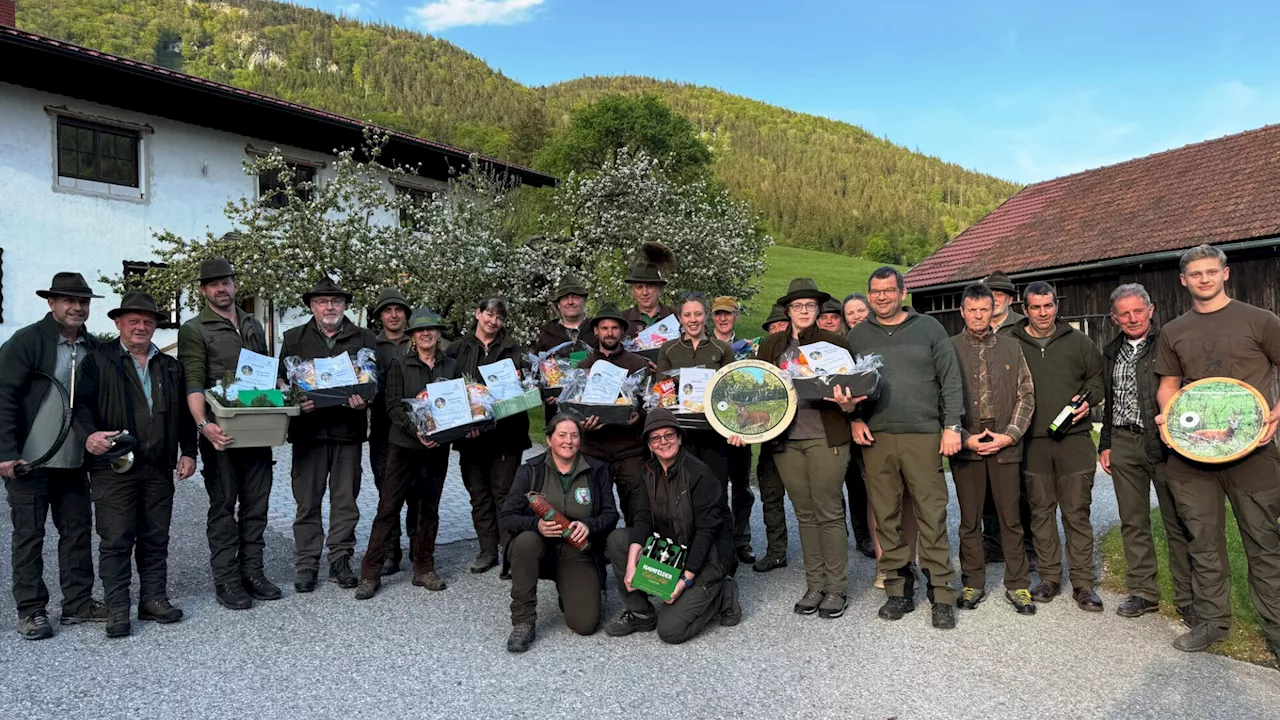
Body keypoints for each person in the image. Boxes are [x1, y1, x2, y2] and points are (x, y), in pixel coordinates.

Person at [1154, 244, 1280, 661]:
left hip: (1253, 453)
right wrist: (1167, 419)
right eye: (1196, 274)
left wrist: (1278, 413)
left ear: (1226, 273)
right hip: (1192, 459)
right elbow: (1169, 385)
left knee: (1263, 543)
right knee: (1203, 543)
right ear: (1183, 280)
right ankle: (1212, 622)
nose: (1204, 279)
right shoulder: (1174, 330)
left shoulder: (1260, 320)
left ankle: (1278, 632)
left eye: (1211, 271)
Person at [75, 292, 197, 637]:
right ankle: (117, 609)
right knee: (115, 538)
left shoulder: (170, 365)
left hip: (158, 465)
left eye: (148, 321)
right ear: (118, 324)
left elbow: (186, 417)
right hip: (113, 465)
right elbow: (79, 407)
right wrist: (89, 436)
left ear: (155, 325)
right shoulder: (98, 361)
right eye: (134, 321)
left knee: (155, 537)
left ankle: (153, 598)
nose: (141, 327)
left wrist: (189, 452)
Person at [848, 266, 962, 629]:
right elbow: (847, 388)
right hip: (877, 438)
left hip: (923, 435)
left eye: (888, 290)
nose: (881, 296)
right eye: (875, 291)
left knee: (932, 514)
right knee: (887, 517)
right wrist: (854, 418)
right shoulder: (858, 336)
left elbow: (951, 380)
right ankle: (898, 587)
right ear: (869, 295)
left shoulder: (929, 328)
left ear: (902, 292)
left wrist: (952, 426)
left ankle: (941, 592)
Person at [0, 272, 105, 639]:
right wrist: (6, 452)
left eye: (84, 302)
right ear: (51, 303)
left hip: (73, 463)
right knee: (29, 536)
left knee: (77, 532)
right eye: (68, 300)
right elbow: (4, 397)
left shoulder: (91, 346)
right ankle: (31, 611)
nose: (77, 307)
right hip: (30, 462)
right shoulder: (27, 341)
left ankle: (77, 603)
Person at [177, 257, 280, 612]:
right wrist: (204, 426)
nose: (222, 289)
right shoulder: (195, 329)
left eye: (227, 282)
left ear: (236, 286)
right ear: (204, 291)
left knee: (257, 504)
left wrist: (283, 388)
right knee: (223, 507)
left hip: (258, 429)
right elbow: (192, 381)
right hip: (222, 432)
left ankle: (253, 573)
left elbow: (266, 373)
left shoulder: (253, 323)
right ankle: (227, 580)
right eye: (213, 284)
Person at [758, 278, 863, 618]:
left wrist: (850, 406)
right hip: (786, 439)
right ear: (787, 311)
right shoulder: (771, 344)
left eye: (810, 306)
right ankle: (815, 584)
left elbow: (855, 390)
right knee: (804, 512)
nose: (804, 311)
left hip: (825, 435)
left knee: (828, 510)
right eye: (797, 306)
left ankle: (836, 588)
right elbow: (763, 389)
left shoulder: (835, 343)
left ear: (818, 310)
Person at [1099, 283, 1194, 622]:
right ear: (1114, 318)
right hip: (1124, 442)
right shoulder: (1111, 351)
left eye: (1138, 310)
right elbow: (1111, 402)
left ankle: (1187, 597)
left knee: (1176, 520)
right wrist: (1106, 443)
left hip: (1165, 442)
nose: (1132, 318)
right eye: (1124, 313)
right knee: (1133, 521)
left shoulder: (1168, 345)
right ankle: (1143, 592)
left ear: (1151, 310)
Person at [605, 408, 740, 644]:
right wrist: (630, 566)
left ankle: (723, 596)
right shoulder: (649, 472)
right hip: (675, 550)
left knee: (670, 631)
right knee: (618, 540)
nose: (663, 442)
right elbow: (643, 518)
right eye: (655, 438)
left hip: (708, 557)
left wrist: (683, 581)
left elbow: (706, 533)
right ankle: (641, 613)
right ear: (648, 444)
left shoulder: (700, 474)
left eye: (668, 435)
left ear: (679, 437)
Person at [276, 277, 376, 593]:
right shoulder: (293, 338)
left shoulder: (364, 338)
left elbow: (374, 381)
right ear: (312, 306)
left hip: (348, 432)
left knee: (345, 502)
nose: (329, 307)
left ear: (345, 305)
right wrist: (294, 401)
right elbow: (282, 383)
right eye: (321, 301)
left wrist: (365, 401)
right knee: (306, 503)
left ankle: (340, 560)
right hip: (309, 433)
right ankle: (306, 565)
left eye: (335, 301)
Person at [1010, 281, 1106, 611]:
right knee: (1040, 513)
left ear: (1056, 306)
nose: (1042, 313)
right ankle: (1049, 577)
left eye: (1048, 306)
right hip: (1032, 442)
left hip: (1074, 440)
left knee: (1077, 512)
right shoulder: (1011, 344)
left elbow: (1097, 379)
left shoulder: (1078, 342)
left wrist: (1088, 401)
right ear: (1024, 309)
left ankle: (1083, 583)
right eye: (1035, 307)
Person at [355, 309, 457, 599]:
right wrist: (418, 432)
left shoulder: (450, 366)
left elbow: (457, 404)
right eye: (420, 331)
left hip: (437, 449)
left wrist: (448, 431)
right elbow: (393, 407)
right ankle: (370, 573)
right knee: (388, 509)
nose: (426, 334)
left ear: (438, 334)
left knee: (429, 509)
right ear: (412, 336)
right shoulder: (401, 363)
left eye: (431, 330)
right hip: (403, 447)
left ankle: (424, 567)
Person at [948, 284, 1037, 615]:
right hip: (965, 443)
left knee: (1010, 518)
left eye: (983, 309)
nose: (977, 315)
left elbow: (1026, 395)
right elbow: (942, 397)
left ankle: (1018, 585)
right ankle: (973, 581)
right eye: (971, 310)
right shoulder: (949, 348)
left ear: (993, 311)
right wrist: (964, 435)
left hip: (1004, 445)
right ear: (962, 312)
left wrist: (1010, 435)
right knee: (969, 519)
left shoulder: (1012, 348)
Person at [499, 415, 620, 652]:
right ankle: (523, 620)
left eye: (574, 435)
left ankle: (569, 591)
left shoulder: (597, 471)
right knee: (525, 542)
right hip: (539, 549)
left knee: (585, 625)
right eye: (562, 435)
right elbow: (507, 518)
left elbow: (610, 515)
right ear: (549, 440)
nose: (569, 441)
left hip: (577, 550)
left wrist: (589, 526)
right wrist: (537, 526)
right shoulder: (530, 471)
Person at [655, 294, 753, 565]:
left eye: (698, 314)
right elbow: (661, 391)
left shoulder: (721, 349)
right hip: (682, 437)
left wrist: (735, 426)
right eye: (688, 315)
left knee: (716, 494)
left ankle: (722, 559)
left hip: (714, 435)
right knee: (681, 496)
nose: (693, 320)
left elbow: (733, 391)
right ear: (680, 318)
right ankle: (685, 555)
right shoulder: (669, 349)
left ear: (705, 316)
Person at [448, 297, 532, 578]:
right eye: (489, 314)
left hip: (506, 435)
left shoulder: (513, 349)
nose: (493, 321)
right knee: (479, 496)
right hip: (470, 437)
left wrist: (522, 381)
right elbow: (446, 388)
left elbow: (525, 387)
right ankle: (487, 550)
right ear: (477, 313)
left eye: (499, 317)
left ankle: (510, 551)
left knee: (505, 495)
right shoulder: (457, 349)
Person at [980, 270, 1035, 566]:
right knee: (987, 485)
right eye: (989, 296)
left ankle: (1026, 544)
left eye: (998, 296)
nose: (993, 301)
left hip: (1017, 416)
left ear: (1010, 300)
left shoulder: (1021, 329)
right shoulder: (976, 326)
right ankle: (991, 541)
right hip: (986, 417)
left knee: (1020, 486)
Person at [576, 304, 649, 525]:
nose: (609, 332)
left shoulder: (637, 364)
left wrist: (640, 418)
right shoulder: (584, 366)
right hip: (594, 449)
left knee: (637, 505)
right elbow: (573, 407)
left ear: (622, 331)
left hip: (630, 450)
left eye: (615, 328)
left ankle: (633, 548)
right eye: (604, 328)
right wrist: (582, 424)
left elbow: (651, 403)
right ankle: (600, 550)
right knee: (596, 505)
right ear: (596, 331)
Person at [367, 287, 413, 577]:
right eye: (388, 310)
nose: (394, 315)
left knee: (419, 493)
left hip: (418, 427)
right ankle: (390, 551)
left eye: (399, 310)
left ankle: (421, 549)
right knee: (388, 492)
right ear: (380, 316)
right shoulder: (369, 346)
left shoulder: (421, 338)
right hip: (383, 430)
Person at [707, 295, 756, 562]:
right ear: (712, 317)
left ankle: (742, 540)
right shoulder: (703, 346)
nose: (723, 318)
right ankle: (720, 538)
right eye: (718, 314)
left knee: (742, 488)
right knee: (714, 488)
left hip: (741, 427)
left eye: (728, 313)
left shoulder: (750, 349)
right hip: (712, 429)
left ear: (736, 315)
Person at [752, 305, 793, 572]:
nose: (776, 331)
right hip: (771, 438)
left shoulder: (801, 354)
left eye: (781, 326)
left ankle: (822, 554)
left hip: (800, 437)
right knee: (771, 495)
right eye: (772, 328)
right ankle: (776, 551)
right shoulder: (760, 362)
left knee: (810, 501)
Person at [839, 293, 876, 561]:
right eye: (850, 313)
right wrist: (853, 417)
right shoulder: (843, 346)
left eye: (860, 310)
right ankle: (862, 535)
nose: (856, 317)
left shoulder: (879, 337)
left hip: (881, 418)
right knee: (856, 482)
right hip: (851, 420)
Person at [621, 242, 678, 338]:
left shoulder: (676, 317)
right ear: (632, 290)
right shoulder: (621, 320)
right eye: (639, 287)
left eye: (650, 286)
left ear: (659, 289)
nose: (644, 292)